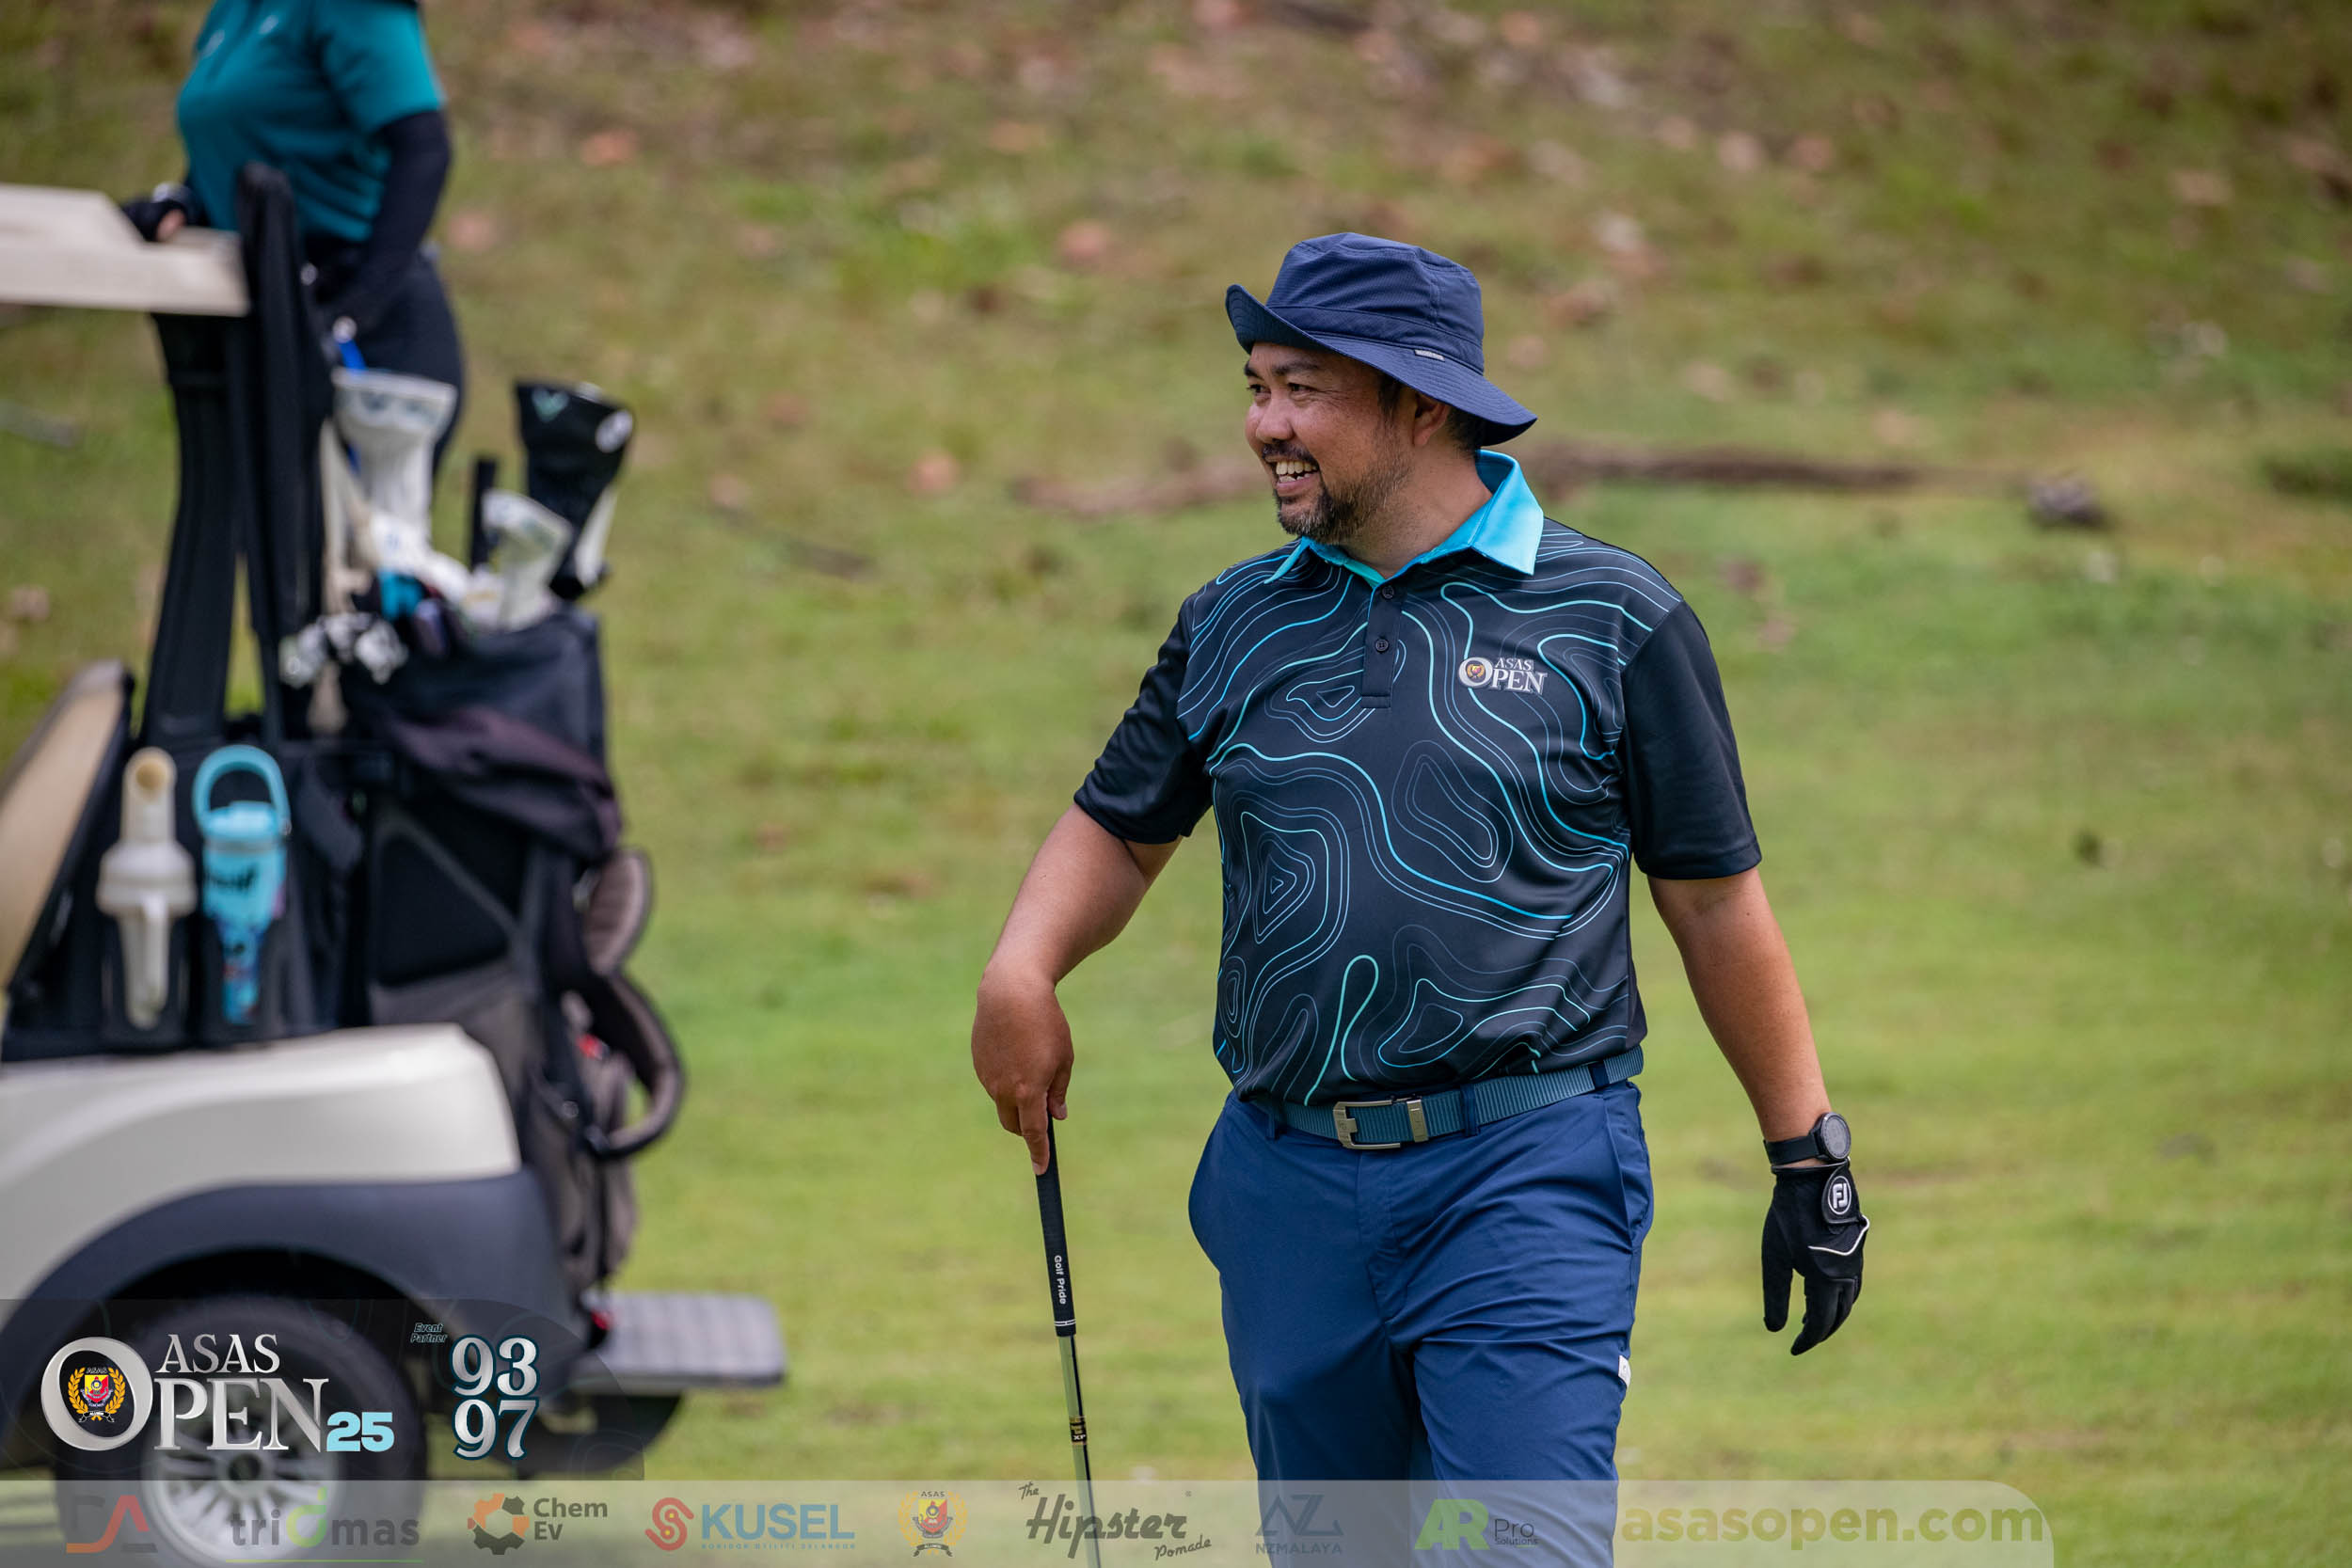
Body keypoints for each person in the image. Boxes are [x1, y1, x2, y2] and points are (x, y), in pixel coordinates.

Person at [971, 234, 1869, 1513]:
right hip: (1286, 1183)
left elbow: (1713, 898)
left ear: (1421, 403)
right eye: (1256, 387)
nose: (1264, 426)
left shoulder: (1613, 618)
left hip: (1525, 1165)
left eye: (1303, 390)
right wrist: (1023, 966)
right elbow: (1119, 828)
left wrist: (1807, 1154)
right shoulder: (1233, 620)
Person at [125, 0, 464, 474]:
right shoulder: (234, 10)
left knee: (347, 522)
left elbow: (424, 147)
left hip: (362, 326)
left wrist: (356, 307)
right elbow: (240, 147)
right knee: (245, 516)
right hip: (265, 315)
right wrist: (187, 201)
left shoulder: (352, 9)